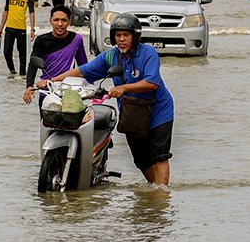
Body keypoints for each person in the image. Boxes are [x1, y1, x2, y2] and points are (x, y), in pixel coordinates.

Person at [36, 13, 174, 186]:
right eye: (118, 35)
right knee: (141, 160)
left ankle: (161, 197)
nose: (122, 39)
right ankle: (153, 189)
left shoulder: (148, 53)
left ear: (135, 36)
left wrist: (123, 88)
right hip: (132, 112)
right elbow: (81, 71)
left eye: (126, 35)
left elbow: (152, 82)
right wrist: (52, 80)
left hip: (158, 111)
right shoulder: (111, 56)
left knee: (159, 156)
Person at [23, 5, 88, 105]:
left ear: (69, 22)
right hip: (47, 90)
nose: (60, 24)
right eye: (56, 20)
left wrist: (91, 88)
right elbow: (33, 64)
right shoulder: (41, 40)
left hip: (70, 90)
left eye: (64, 20)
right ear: (50, 21)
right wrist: (29, 86)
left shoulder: (77, 39)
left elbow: (84, 66)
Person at [0, 0, 36, 76]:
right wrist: (0, 28)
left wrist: (32, 29)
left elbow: (31, 12)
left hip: (21, 28)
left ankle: (22, 76)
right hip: (9, 28)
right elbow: (6, 11)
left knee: (22, 55)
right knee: (7, 52)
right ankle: (12, 71)